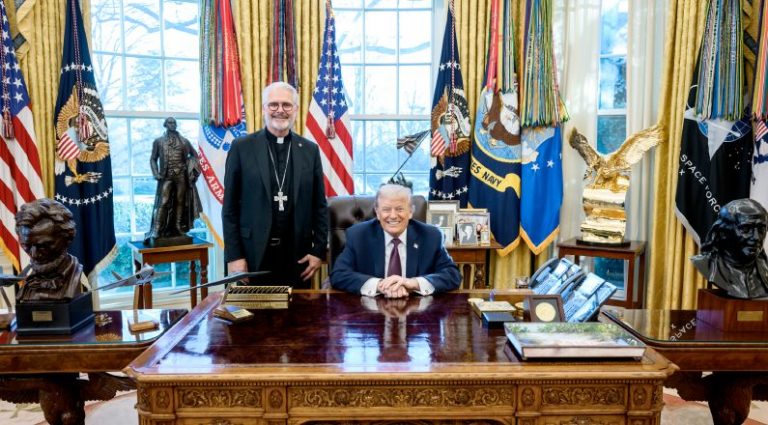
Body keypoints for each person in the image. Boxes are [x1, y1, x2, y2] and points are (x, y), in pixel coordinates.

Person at [222, 81, 328, 288]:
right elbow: (230, 208)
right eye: (273, 104)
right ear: (264, 108)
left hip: (298, 257)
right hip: (253, 255)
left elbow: (319, 206)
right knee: (255, 309)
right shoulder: (242, 148)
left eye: (287, 105)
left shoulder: (310, 150)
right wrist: (234, 256)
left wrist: (318, 251)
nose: (280, 110)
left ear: (295, 109)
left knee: (298, 309)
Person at [330, 184, 461, 297]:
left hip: (417, 311)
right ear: (377, 212)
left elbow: (452, 275)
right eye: (386, 209)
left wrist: (413, 283)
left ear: (411, 212)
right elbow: (339, 274)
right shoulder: (358, 236)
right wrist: (379, 285)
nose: (393, 216)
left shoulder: (431, 236)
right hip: (368, 311)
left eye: (399, 209)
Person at [691, 198, 768, 299]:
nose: (756, 237)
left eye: (761, 229)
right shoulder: (706, 265)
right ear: (722, 233)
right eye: (745, 229)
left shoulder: (765, 269)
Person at [144, 117, 202, 246]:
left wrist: (189, 166)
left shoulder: (184, 141)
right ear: (165, 124)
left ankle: (178, 227)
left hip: (181, 176)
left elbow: (195, 156)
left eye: (174, 122)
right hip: (166, 176)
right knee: (163, 202)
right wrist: (156, 173)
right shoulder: (158, 141)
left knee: (180, 201)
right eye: (170, 122)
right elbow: (153, 159)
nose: (173, 124)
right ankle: (157, 230)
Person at [15, 199, 83, 302]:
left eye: (43, 246)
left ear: (66, 239)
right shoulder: (28, 284)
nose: (34, 255)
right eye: (26, 245)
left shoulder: (74, 275)